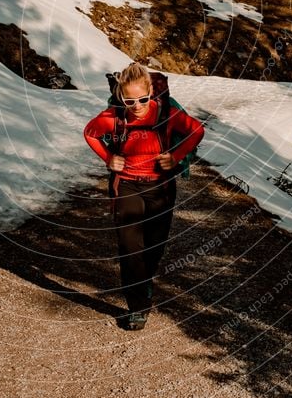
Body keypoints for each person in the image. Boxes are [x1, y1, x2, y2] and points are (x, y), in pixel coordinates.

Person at [84, 62, 204, 331]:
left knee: (153, 247)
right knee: (129, 249)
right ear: (120, 97)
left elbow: (197, 131)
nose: (137, 105)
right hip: (126, 186)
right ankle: (138, 306)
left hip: (160, 188)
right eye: (129, 100)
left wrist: (175, 157)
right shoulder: (115, 115)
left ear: (151, 93)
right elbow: (90, 133)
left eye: (142, 99)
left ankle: (144, 282)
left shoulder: (166, 112)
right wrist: (108, 157)